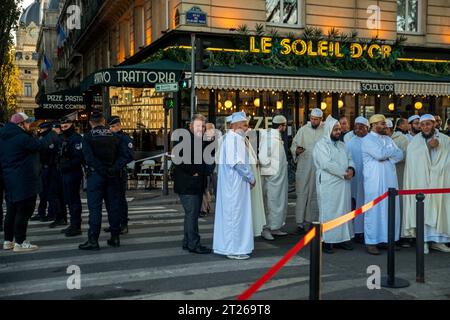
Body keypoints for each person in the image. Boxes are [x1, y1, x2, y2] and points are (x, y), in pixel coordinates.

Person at [0, 113, 58, 252]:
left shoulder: (3, 136)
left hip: (9, 179)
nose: (29, 126)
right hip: (24, 180)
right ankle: (20, 242)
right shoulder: (22, 138)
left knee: (11, 211)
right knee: (24, 211)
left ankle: (8, 241)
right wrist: (53, 133)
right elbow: (41, 145)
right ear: (20, 124)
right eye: (27, 123)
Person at [79, 111, 130, 250]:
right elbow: (125, 156)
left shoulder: (88, 137)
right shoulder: (115, 137)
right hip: (113, 176)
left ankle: (93, 239)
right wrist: (113, 168)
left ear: (91, 123)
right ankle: (115, 237)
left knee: (95, 209)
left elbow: (88, 158)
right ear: (103, 121)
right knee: (113, 208)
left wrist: (101, 170)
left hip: (96, 176)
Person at [403, 114, 450, 254]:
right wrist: (428, 148)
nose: (425, 127)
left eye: (428, 124)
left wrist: (439, 168)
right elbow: (412, 161)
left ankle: (438, 241)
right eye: (422, 125)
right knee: (422, 210)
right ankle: (422, 241)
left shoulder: (446, 140)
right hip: (421, 182)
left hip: (439, 181)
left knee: (440, 208)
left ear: (434, 124)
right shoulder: (415, 142)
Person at [213, 112, 255, 260]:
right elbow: (237, 163)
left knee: (237, 214)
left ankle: (235, 247)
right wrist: (250, 178)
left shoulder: (235, 139)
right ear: (235, 126)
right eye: (244, 125)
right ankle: (233, 248)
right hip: (234, 186)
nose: (246, 128)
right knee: (234, 215)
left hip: (236, 184)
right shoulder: (233, 140)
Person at [361, 114, 403, 255]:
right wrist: (390, 153)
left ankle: (388, 239)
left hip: (390, 179)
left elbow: (400, 155)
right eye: (381, 123)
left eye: (384, 123)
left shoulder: (388, 139)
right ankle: (372, 241)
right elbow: (379, 154)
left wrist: (388, 155)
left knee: (389, 209)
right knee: (374, 210)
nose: (385, 126)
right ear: (373, 125)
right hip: (374, 181)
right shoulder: (367, 139)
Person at [314, 115, 355, 253]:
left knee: (344, 212)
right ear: (328, 130)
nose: (338, 131)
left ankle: (342, 239)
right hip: (329, 184)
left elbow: (350, 158)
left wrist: (351, 169)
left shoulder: (343, 145)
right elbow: (326, 164)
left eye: (339, 129)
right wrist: (344, 173)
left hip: (344, 185)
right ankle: (326, 241)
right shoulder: (321, 145)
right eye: (335, 129)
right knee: (329, 212)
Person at [173, 114, 212, 254]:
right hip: (188, 183)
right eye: (197, 126)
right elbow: (178, 159)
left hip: (193, 183)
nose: (200, 128)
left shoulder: (197, 139)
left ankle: (187, 242)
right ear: (190, 125)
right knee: (192, 215)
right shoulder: (184, 138)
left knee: (190, 214)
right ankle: (194, 244)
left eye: (202, 126)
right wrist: (193, 172)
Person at [290, 108, 325, 234]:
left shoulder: (325, 130)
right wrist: (296, 151)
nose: (313, 121)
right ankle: (299, 222)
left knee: (314, 194)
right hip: (304, 166)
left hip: (318, 167)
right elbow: (293, 145)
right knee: (302, 193)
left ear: (321, 119)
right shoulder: (303, 130)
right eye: (312, 119)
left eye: (316, 119)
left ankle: (311, 221)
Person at [259, 115, 289, 239]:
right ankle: (266, 229)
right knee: (270, 203)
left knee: (278, 203)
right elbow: (263, 158)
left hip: (278, 178)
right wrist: (271, 174)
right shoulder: (270, 138)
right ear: (282, 126)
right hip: (272, 179)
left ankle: (275, 227)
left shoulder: (275, 136)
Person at [104, 116, 134, 234]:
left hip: (119, 173)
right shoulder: (109, 137)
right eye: (110, 127)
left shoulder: (125, 138)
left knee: (120, 199)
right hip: (110, 172)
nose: (111, 129)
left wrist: (115, 167)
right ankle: (114, 224)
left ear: (118, 125)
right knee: (111, 200)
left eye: (112, 126)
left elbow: (129, 156)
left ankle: (123, 224)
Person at [345, 116, 369, 243]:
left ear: (367, 128)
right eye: (356, 127)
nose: (358, 130)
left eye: (361, 127)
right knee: (355, 204)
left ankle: (366, 231)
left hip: (369, 179)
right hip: (355, 179)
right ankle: (356, 231)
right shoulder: (350, 143)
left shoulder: (371, 140)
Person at [58, 117, 84, 237]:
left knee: (73, 200)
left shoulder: (76, 138)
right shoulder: (63, 137)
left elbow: (79, 158)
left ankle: (76, 226)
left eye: (66, 123)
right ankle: (73, 224)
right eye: (62, 124)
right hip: (65, 172)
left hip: (73, 173)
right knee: (68, 199)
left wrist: (66, 166)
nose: (64, 125)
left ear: (71, 124)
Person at [30, 122, 61, 223]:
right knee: (44, 192)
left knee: (50, 192)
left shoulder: (50, 136)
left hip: (49, 168)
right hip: (45, 167)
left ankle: (51, 214)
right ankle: (42, 212)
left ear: (46, 128)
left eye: (41, 129)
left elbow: (46, 151)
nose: (40, 131)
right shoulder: (46, 136)